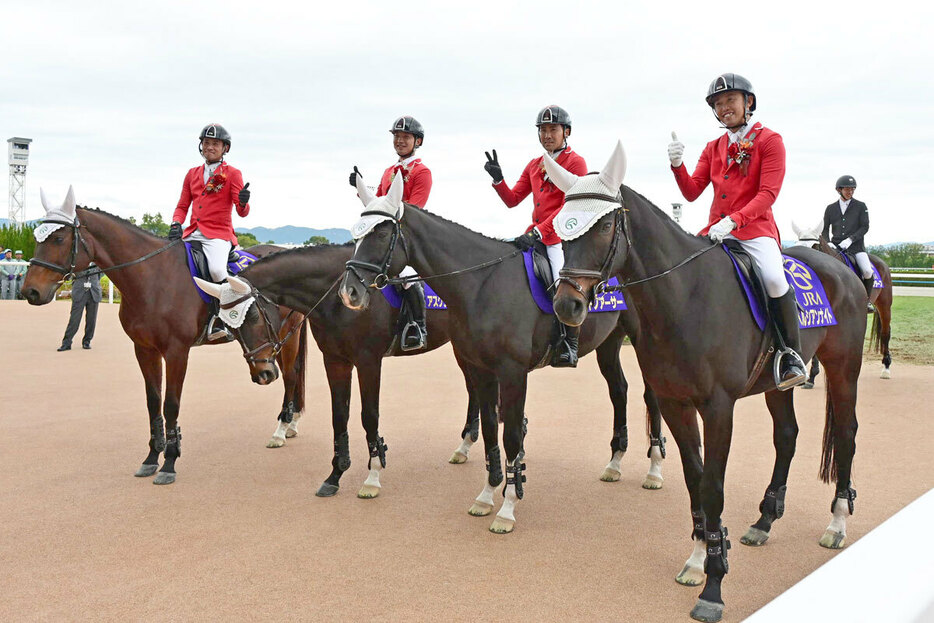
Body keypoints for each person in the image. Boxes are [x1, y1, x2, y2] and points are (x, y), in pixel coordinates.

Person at [667, 73, 806, 390]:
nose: (724, 107)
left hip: (755, 230)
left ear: (749, 102)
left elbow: (768, 193)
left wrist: (735, 220)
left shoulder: (770, 141)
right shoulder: (713, 147)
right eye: (718, 103)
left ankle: (790, 354)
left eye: (730, 100)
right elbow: (691, 192)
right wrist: (677, 165)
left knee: (772, 278)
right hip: (716, 230)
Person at [483, 105, 587, 367]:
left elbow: (570, 206)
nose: (547, 135)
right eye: (543, 130)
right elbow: (513, 199)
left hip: (560, 239)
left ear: (567, 132)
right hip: (533, 236)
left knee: (562, 282)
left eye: (553, 129)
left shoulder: (575, 162)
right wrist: (498, 180)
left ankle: (568, 342)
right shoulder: (534, 164)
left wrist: (541, 231)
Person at [349, 116, 432, 351]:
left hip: (408, 237)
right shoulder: (389, 171)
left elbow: (414, 209)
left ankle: (418, 328)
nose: (400, 141)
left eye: (405, 137)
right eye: (396, 136)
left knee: (407, 277)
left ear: (418, 141)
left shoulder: (422, 172)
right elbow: (379, 204)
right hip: (385, 235)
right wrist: (360, 188)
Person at [170, 123, 251, 340]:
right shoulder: (191, 174)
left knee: (216, 270)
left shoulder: (233, 174)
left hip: (218, 235)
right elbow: (182, 206)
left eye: (215, 143)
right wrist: (176, 223)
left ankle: (220, 320)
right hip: (192, 232)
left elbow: (242, 212)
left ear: (225, 148)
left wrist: (243, 202)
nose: (210, 147)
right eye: (206, 143)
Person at [822, 175, 874, 310]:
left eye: (852, 189)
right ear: (839, 190)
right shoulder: (830, 208)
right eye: (847, 189)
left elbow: (865, 227)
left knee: (867, 271)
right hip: (836, 247)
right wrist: (828, 243)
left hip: (856, 247)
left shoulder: (861, 206)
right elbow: (825, 228)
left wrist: (851, 239)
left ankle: (867, 301)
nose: (850, 192)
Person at [58, 263, 102, 351]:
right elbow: (70, 274)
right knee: (74, 319)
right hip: (79, 292)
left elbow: (101, 273)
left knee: (91, 320)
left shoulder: (97, 262)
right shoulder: (79, 260)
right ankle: (66, 343)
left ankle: (87, 341)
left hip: (94, 292)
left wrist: (94, 281)